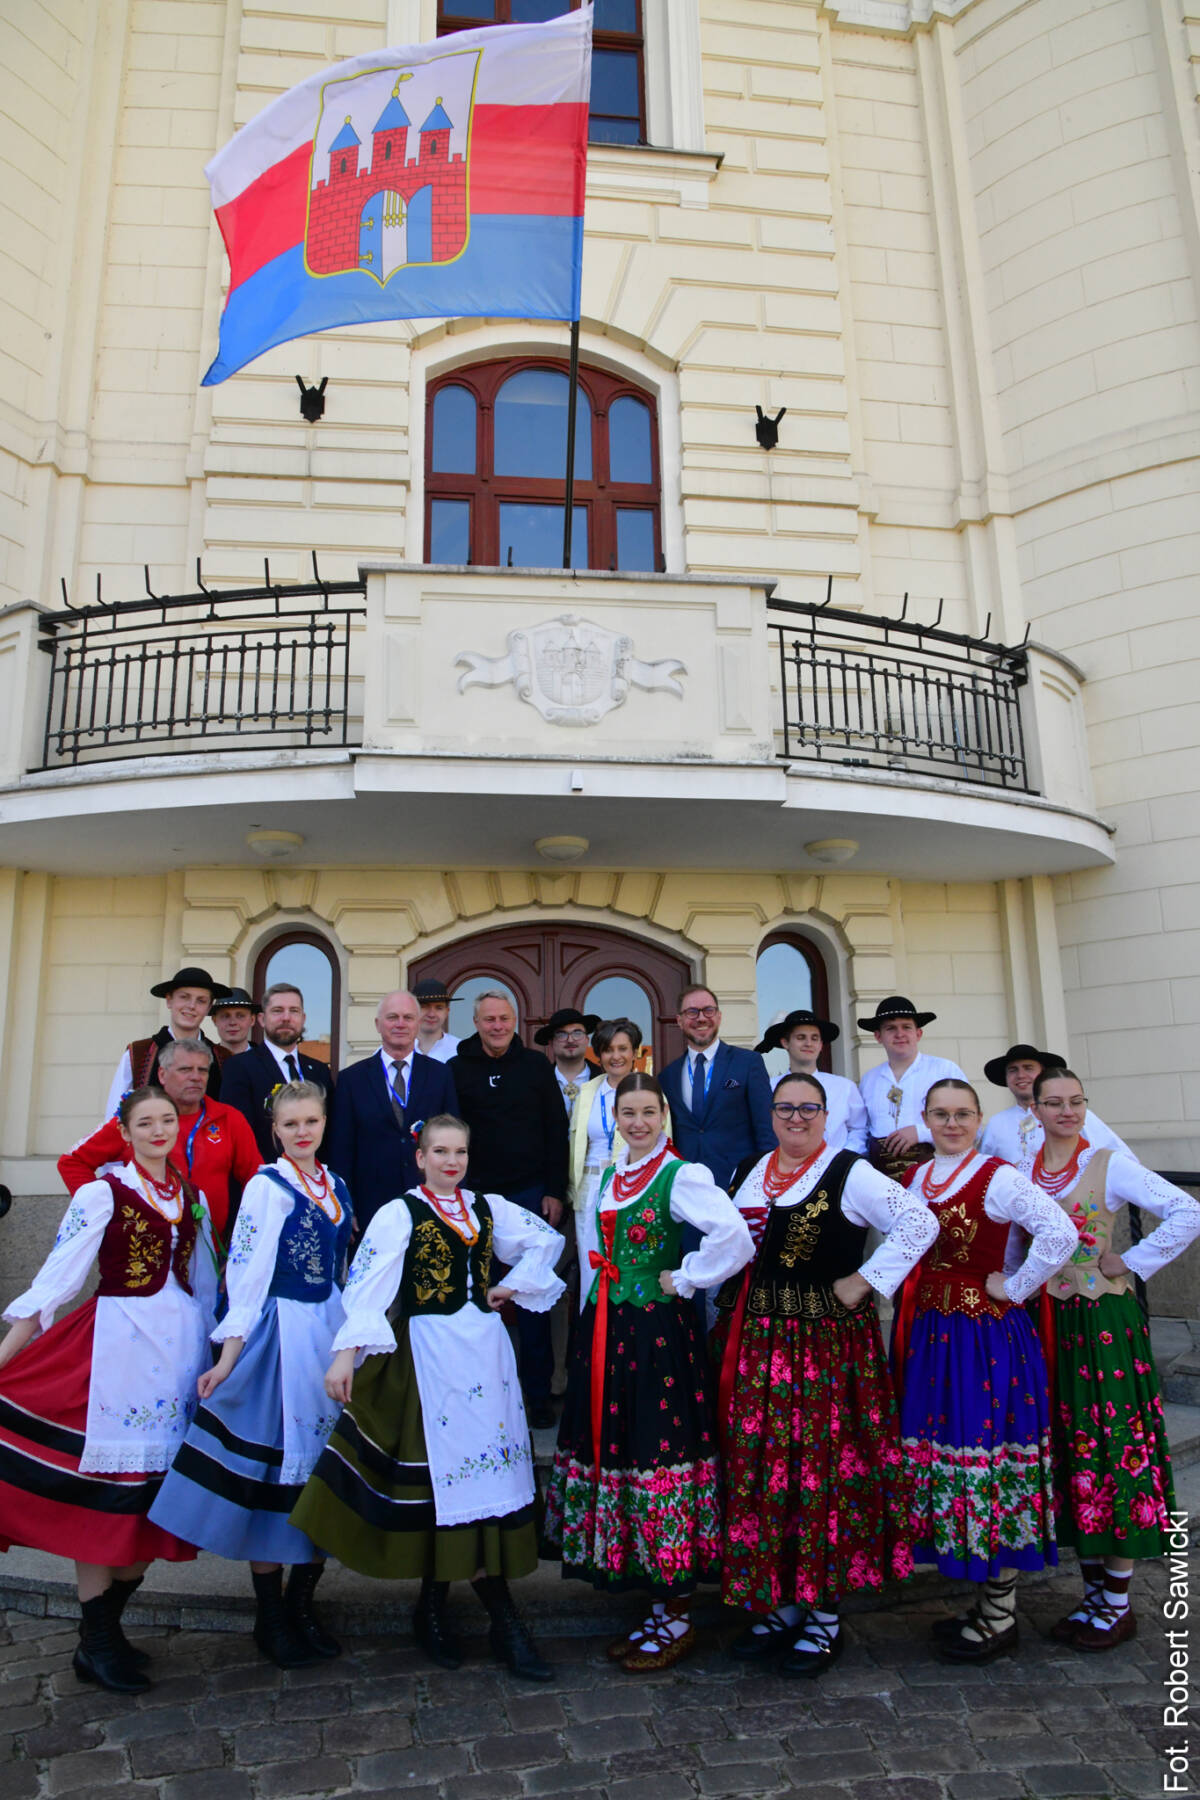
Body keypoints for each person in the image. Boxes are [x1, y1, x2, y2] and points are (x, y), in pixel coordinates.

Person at [291, 1114, 563, 1681]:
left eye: (459, 1152)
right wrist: (345, 1355)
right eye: (440, 1151)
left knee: (477, 1482)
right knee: (438, 1482)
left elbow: (546, 1240)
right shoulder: (400, 1213)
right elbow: (367, 1286)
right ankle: (473, 1618)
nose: (451, 1161)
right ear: (420, 1158)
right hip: (427, 1357)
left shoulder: (486, 1207)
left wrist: (509, 1285)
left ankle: (439, 1610)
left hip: (484, 1357)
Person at [716, 1072, 937, 1676]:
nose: (796, 1118)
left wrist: (865, 1280)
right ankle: (784, 1603)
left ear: (826, 1114)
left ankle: (824, 1616)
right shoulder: (750, 1169)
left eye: (808, 1108)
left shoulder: (850, 1171)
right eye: (785, 1108)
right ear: (771, 1114)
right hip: (759, 1342)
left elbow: (920, 1224)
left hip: (823, 1347)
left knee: (820, 1471)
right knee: (769, 1470)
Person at [0, 1087, 217, 1694]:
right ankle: (96, 1641)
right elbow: (58, 1279)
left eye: (167, 1120)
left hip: (176, 1356)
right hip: (118, 1350)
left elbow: (202, 1283)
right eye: (144, 1123)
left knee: (155, 1503)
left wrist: (214, 1357)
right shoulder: (102, 1192)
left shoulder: (191, 1194)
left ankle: (104, 1631)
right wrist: (5, 1354)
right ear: (123, 1132)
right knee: (105, 1500)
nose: (158, 1131)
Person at [545, 1073, 754, 1672]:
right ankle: (657, 1603)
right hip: (608, 1328)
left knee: (658, 1448)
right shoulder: (613, 1174)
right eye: (627, 1113)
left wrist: (685, 1277)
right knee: (626, 1449)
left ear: (664, 1116)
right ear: (615, 1118)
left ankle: (678, 1610)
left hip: (657, 1334)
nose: (637, 1123)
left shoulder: (680, 1175)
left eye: (647, 1112)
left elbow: (735, 1238)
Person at [149, 1082, 352, 1669]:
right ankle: (272, 1616)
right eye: (290, 1124)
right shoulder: (268, 1186)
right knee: (273, 1478)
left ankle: (303, 1604)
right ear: (275, 1130)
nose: (302, 1132)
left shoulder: (336, 1184)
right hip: (281, 1334)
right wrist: (229, 1357)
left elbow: (341, 1266)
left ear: (324, 1123)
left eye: (311, 1121)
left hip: (328, 1332)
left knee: (322, 1473)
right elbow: (248, 1272)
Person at [892, 1079, 1076, 1663]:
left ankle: (1000, 1613)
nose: (952, 1124)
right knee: (950, 1455)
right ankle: (983, 1601)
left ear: (978, 1119)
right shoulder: (917, 1177)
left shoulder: (999, 1176)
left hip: (984, 1339)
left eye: (963, 1114)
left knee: (988, 1454)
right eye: (941, 1114)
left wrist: (1016, 1287)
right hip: (931, 1336)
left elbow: (1061, 1232)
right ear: (925, 1119)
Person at [1023, 1068, 1200, 1650]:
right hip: (1048, 1321)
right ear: (1035, 1110)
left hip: (1101, 1322)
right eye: (1054, 1102)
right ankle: (1094, 1592)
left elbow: (1188, 1211)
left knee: (1109, 1441)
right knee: (1072, 1447)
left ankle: (1118, 1602)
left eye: (1076, 1101)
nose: (1067, 1111)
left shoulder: (1108, 1164)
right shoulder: (1025, 1170)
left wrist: (1132, 1261)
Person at [450, 993, 569, 1429]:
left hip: (529, 1195)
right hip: (475, 1198)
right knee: (476, 1300)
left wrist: (554, 1190)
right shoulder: (456, 1069)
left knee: (530, 1299)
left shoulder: (536, 1066)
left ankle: (537, 1396)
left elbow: (556, 1130)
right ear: (476, 1022)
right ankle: (481, 1398)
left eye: (504, 1018)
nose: (497, 1026)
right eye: (489, 1020)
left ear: (514, 1021)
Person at [60, 1038, 262, 1248]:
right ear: (162, 1075)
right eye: (185, 1069)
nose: (196, 1077)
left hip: (210, 1249)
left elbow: (255, 1179)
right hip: (146, 1251)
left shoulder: (229, 1118)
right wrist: (104, 1211)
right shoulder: (138, 1120)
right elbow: (72, 1162)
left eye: (202, 1070)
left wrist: (246, 1239)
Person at [325, 990, 457, 1231]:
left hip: (430, 1201)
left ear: (417, 1023)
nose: (400, 1024)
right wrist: (345, 1204)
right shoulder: (351, 1079)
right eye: (392, 1017)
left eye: (408, 1017)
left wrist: (453, 1197)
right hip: (370, 1207)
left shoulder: (441, 1075)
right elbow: (341, 1149)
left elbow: (454, 1140)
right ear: (378, 1024)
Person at [566, 1019, 672, 1313]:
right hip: (591, 1186)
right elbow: (575, 1142)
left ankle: (625, 1327)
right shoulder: (588, 1091)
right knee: (592, 1265)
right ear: (599, 1054)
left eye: (623, 1048)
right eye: (608, 1049)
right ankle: (592, 1328)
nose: (616, 1056)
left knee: (628, 1260)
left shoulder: (651, 1090)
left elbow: (664, 1143)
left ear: (635, 1052)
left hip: (635, 1185)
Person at [659, 985, 775, 1190]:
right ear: (679, 1021)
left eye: (708, 1010)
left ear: (719, 1016)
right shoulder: (667, 1076)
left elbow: (766, 1130)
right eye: (692, 1012)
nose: (701, 1018)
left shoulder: (748, 1063)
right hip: (686, 1189)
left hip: (739, 1186)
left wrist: (767, 1184)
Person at [220, 983, 335, 1160]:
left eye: (294, 1011)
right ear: (261, 1019)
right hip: (264, 1172)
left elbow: (330, 1132)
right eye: (277, 1011)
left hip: (314, 1173)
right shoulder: (239, 1067)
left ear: (303, 1018)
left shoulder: (319, 1071)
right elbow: (237, 1134)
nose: (286, 1018)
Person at [856, 996, 967, 1178]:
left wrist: (921, 1132)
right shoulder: (869, 1080)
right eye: (890, 1028)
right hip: (882, 1179)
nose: (899, 1034)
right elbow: (862, 1130)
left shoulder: (944, 1070)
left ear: (918, 1033)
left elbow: (967, 1122)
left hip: (939, 1175)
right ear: (878, 1036)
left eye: (906, 1027)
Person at [105, 965, 228, 1117]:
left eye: (201, 1001)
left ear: (209, 1007)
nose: (192, 1006)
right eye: (184, 997)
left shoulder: (223, 1057)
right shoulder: (139, 1053)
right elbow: (115, 1114)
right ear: (169, 1001)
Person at [980, 1043, 1132, 1165]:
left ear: (1042, 1074)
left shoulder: (1075, 1116)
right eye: (1013, 1070)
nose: (1021, 1075)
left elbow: (1122, 1159)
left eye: (1028, 1068)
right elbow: (984, 1171)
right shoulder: (996, 1124)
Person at [753, 1008, 868, 1153]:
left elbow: (859, 1129)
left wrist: (844, 1158)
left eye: (814, 1038)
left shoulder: (844, 1087)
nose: (808, 1043)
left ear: (821, 1045)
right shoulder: (769, 1088)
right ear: (785, 1043)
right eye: (801, 1037)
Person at [535, 1008, 600, 1114]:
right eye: (561, 1034)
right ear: (551, 1043)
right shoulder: (537, 1082)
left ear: (587, 1040)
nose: (570, 1040)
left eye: (577, 1033)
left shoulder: (604, 1079)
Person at [413, 979, 460, 1064]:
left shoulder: (460, 1050)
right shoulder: (396, 1048)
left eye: (439, 1008)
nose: (431, 1014)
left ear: (447, 1012)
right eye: (424, 1007)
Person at [209, 988, 259, 1058]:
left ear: (252, 1020)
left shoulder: (267, 1061)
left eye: (240, 1016)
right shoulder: (204, 1060)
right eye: (225, 1016)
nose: (232, 1022)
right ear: (215, 1020)